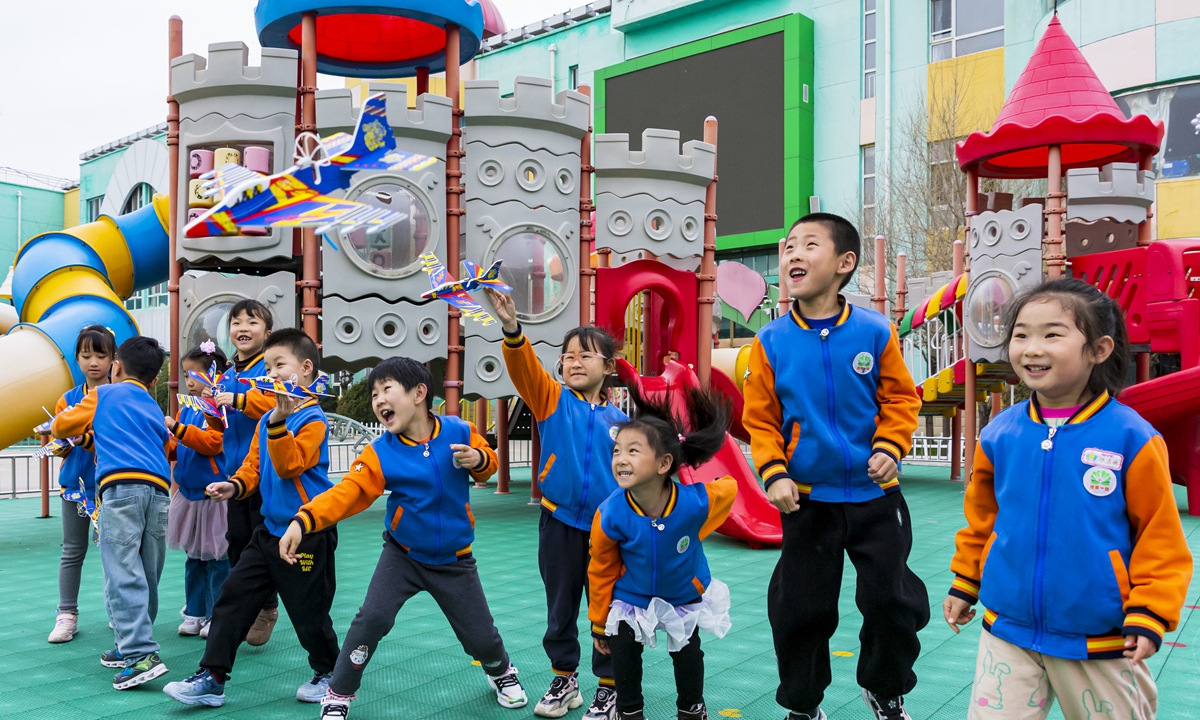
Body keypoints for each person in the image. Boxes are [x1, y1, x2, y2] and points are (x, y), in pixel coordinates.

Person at [943, 278, 1193, 720]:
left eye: (1052, 334)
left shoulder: (1130, 437)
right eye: (1020, 334)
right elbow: (982, 518)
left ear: (1098, 349)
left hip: (1099, 638)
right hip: (1009, 629)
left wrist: (1150, 611)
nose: (1032, 348)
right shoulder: (1001, 433)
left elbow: (1160, 533)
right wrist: (966, 580)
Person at [742, 213, 925, 720]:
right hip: (808, 502)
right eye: (789, 247)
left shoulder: (873, 330)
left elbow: (900, 401)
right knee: (800, 609)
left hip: (875, 497)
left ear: (845, 263)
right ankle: (802, 704)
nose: (793, 254)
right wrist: (774, 473)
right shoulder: (772, 340)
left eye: (809, 245)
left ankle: (886, 690)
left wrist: (890, 447)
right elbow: (761, 420)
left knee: (893, 604)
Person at [276, 356, 527, 718]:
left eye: (386, 389)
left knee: (480, 635)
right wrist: (303, 521)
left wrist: (479, 459)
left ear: (419, 393)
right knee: (372, 619)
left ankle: (500, 670)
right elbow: (347, 492)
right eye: (374, 393)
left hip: (454, 559)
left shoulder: (457, 430)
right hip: (403, 555)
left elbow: (489, 460)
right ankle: (339, 694)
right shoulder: (380, 452)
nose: (378, 400)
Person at [164, 328, 338, 708]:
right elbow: (254, 467)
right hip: (269, 531)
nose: (272, 374)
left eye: (280, 365)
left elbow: (290, 464)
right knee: (232, 597)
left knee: (308, 611)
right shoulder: (268, 421)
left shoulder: (312, 420)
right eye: (269, 367)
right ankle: (211, 678)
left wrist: (277, 420)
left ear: (306, 369)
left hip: (307, 531)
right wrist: (234, 487)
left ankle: (329, 671)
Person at [486, 288, 629, 720]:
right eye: (568, 356)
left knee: (607, 608)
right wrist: (512, 328)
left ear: (608, 368)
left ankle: (610, 686)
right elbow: (524, 369)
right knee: (560, 605)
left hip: (608, 531)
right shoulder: (552, 400)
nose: (574, 362)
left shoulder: (622, 424)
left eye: (586, 356)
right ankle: (565, 679)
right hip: (560, 523)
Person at [588, 386, 737, 720]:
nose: (620, 459)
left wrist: (693, 527)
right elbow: (600, 569)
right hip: (632, 596)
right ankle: (628, 712)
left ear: (663, 463)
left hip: (682, 594)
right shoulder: (610, 514)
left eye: (633, 451)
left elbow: (730, 488)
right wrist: (599, 623)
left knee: (687, 655)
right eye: (616, 451)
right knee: (623, 652)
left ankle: (691, 709)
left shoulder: (695, 503)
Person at [52, 336, 171, 690]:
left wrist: (85, 430)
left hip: (121, 490)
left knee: (121, 572)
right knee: (147, 570)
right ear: (154, 379)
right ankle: (128, 645)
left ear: (116, 367)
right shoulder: (152, 404)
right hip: (159, 492)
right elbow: (162, 444)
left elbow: (61, 426)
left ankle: (140, 653)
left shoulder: (102, 394)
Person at [211, 299, 280, 646]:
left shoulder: (268, 370)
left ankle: (266, 606)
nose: (242, 328)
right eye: (236, 322)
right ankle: (250, 606)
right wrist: (210, 408)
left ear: (267, 333)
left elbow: (275, 403)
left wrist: (237, 400)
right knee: (236, 543)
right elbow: (220, 422)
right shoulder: (226, 374)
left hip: (264, 475)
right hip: (234, 477)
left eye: (252, 322)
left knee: (262, 543)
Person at [47, 324, 116, 644]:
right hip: (75, 487)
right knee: (72, 550)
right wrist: (59, 443)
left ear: (114, 359)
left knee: (115, 552)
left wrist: (87, 438)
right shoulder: (68, 399)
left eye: (101, 355)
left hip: (113, 488)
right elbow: (57, 441)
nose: (93, 362)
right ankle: (66, 614)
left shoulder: (120, 395)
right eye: (86, 355)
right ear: (76, 358)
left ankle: (119, 611)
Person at [167, 342, 231, 638]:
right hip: (190, 496)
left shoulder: (218, 409)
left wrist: (177, 431)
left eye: (193, 374)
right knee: (194, 559)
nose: (188, 381)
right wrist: (163, 437)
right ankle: (194, 611)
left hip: (214, 497)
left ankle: (217, 614)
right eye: (185, 374)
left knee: (218, 560)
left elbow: (212, 443)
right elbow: (175, 448)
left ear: (214, 374)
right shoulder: (186, 409)